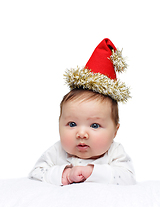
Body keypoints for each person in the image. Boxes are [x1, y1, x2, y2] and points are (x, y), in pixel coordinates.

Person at [29, 38, 136, 186]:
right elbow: (36, 174)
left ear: (115, 131)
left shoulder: (114, 153)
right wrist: (64, 174)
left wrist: (92, 172)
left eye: (95, 125)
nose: (81, 134)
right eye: (72, 124)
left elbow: (128, 179)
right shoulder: (57, 151)